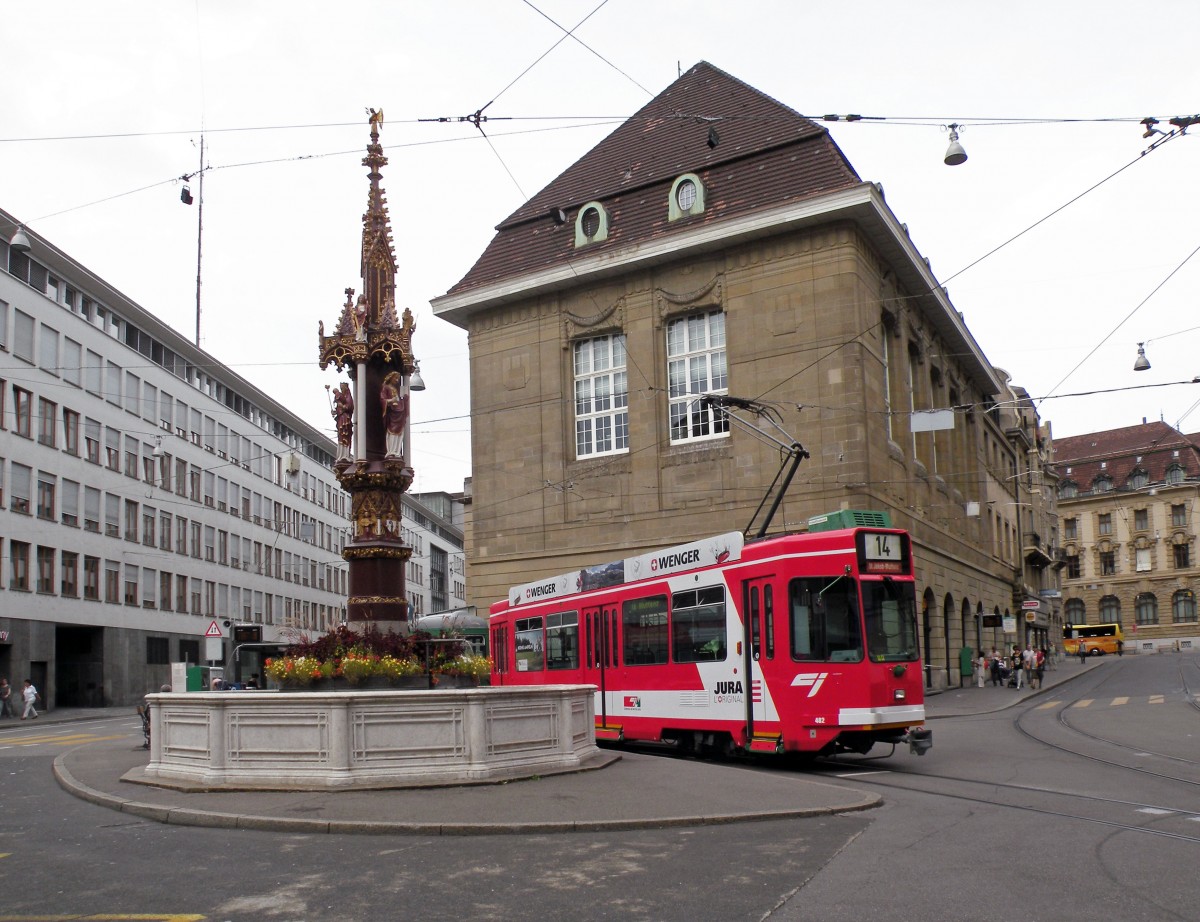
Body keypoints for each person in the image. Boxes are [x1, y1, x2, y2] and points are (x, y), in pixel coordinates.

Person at [380, 371, 408, 458]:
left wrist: (404, 400)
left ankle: (396, 451)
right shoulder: (386, 387)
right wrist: (391, 400)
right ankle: (391, 450)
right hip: (392, 413)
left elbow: (399, 400)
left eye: (397, 379)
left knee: (399, 432)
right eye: (395, 378)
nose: (396, 380)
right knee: (392, 431)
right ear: (390, 378)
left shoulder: (395, 389)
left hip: (399, 413)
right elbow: (382, 399)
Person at [332, 382, 354, 461]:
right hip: (341, 418)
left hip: (345, 418)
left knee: (345, 435)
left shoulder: (348, 397)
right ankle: (340, 455)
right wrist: (335, 411)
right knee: (341, 435)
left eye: (342, 388)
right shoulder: (341, 397)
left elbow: (349, 407)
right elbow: (339, 408)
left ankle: (345, 454)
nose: (341, 390)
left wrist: (341, 406)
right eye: (340, 388)